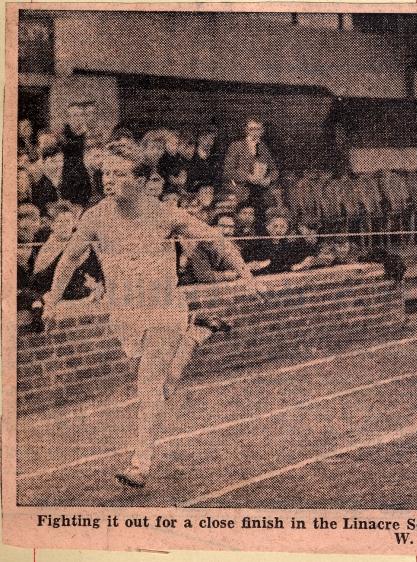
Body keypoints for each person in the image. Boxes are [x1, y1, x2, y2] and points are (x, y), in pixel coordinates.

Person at [41, 139, 267, 488]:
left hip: (163, 310)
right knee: (160, 388)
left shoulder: (164, 214)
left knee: (147, 389)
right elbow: (70, 258)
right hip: (124, 314)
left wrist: (246, 277)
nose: (108, 181)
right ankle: (195, 335)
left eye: (118, 174)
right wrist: (53, 299)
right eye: (105, 174)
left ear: (141, 179)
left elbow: (216, 240)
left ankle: (140, 462)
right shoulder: (96, 216)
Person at [223, 119, 279, 227]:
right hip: (239, 190)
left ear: (262, 131)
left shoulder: (263, 148)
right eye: (251, 129)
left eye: (257, 129)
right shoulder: (236, 146)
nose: (254, 132)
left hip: (260, 191)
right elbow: (227, 171)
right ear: (246, 130)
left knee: (262, 219)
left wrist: (268, 179)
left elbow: (274, 171)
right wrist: (247, 177)